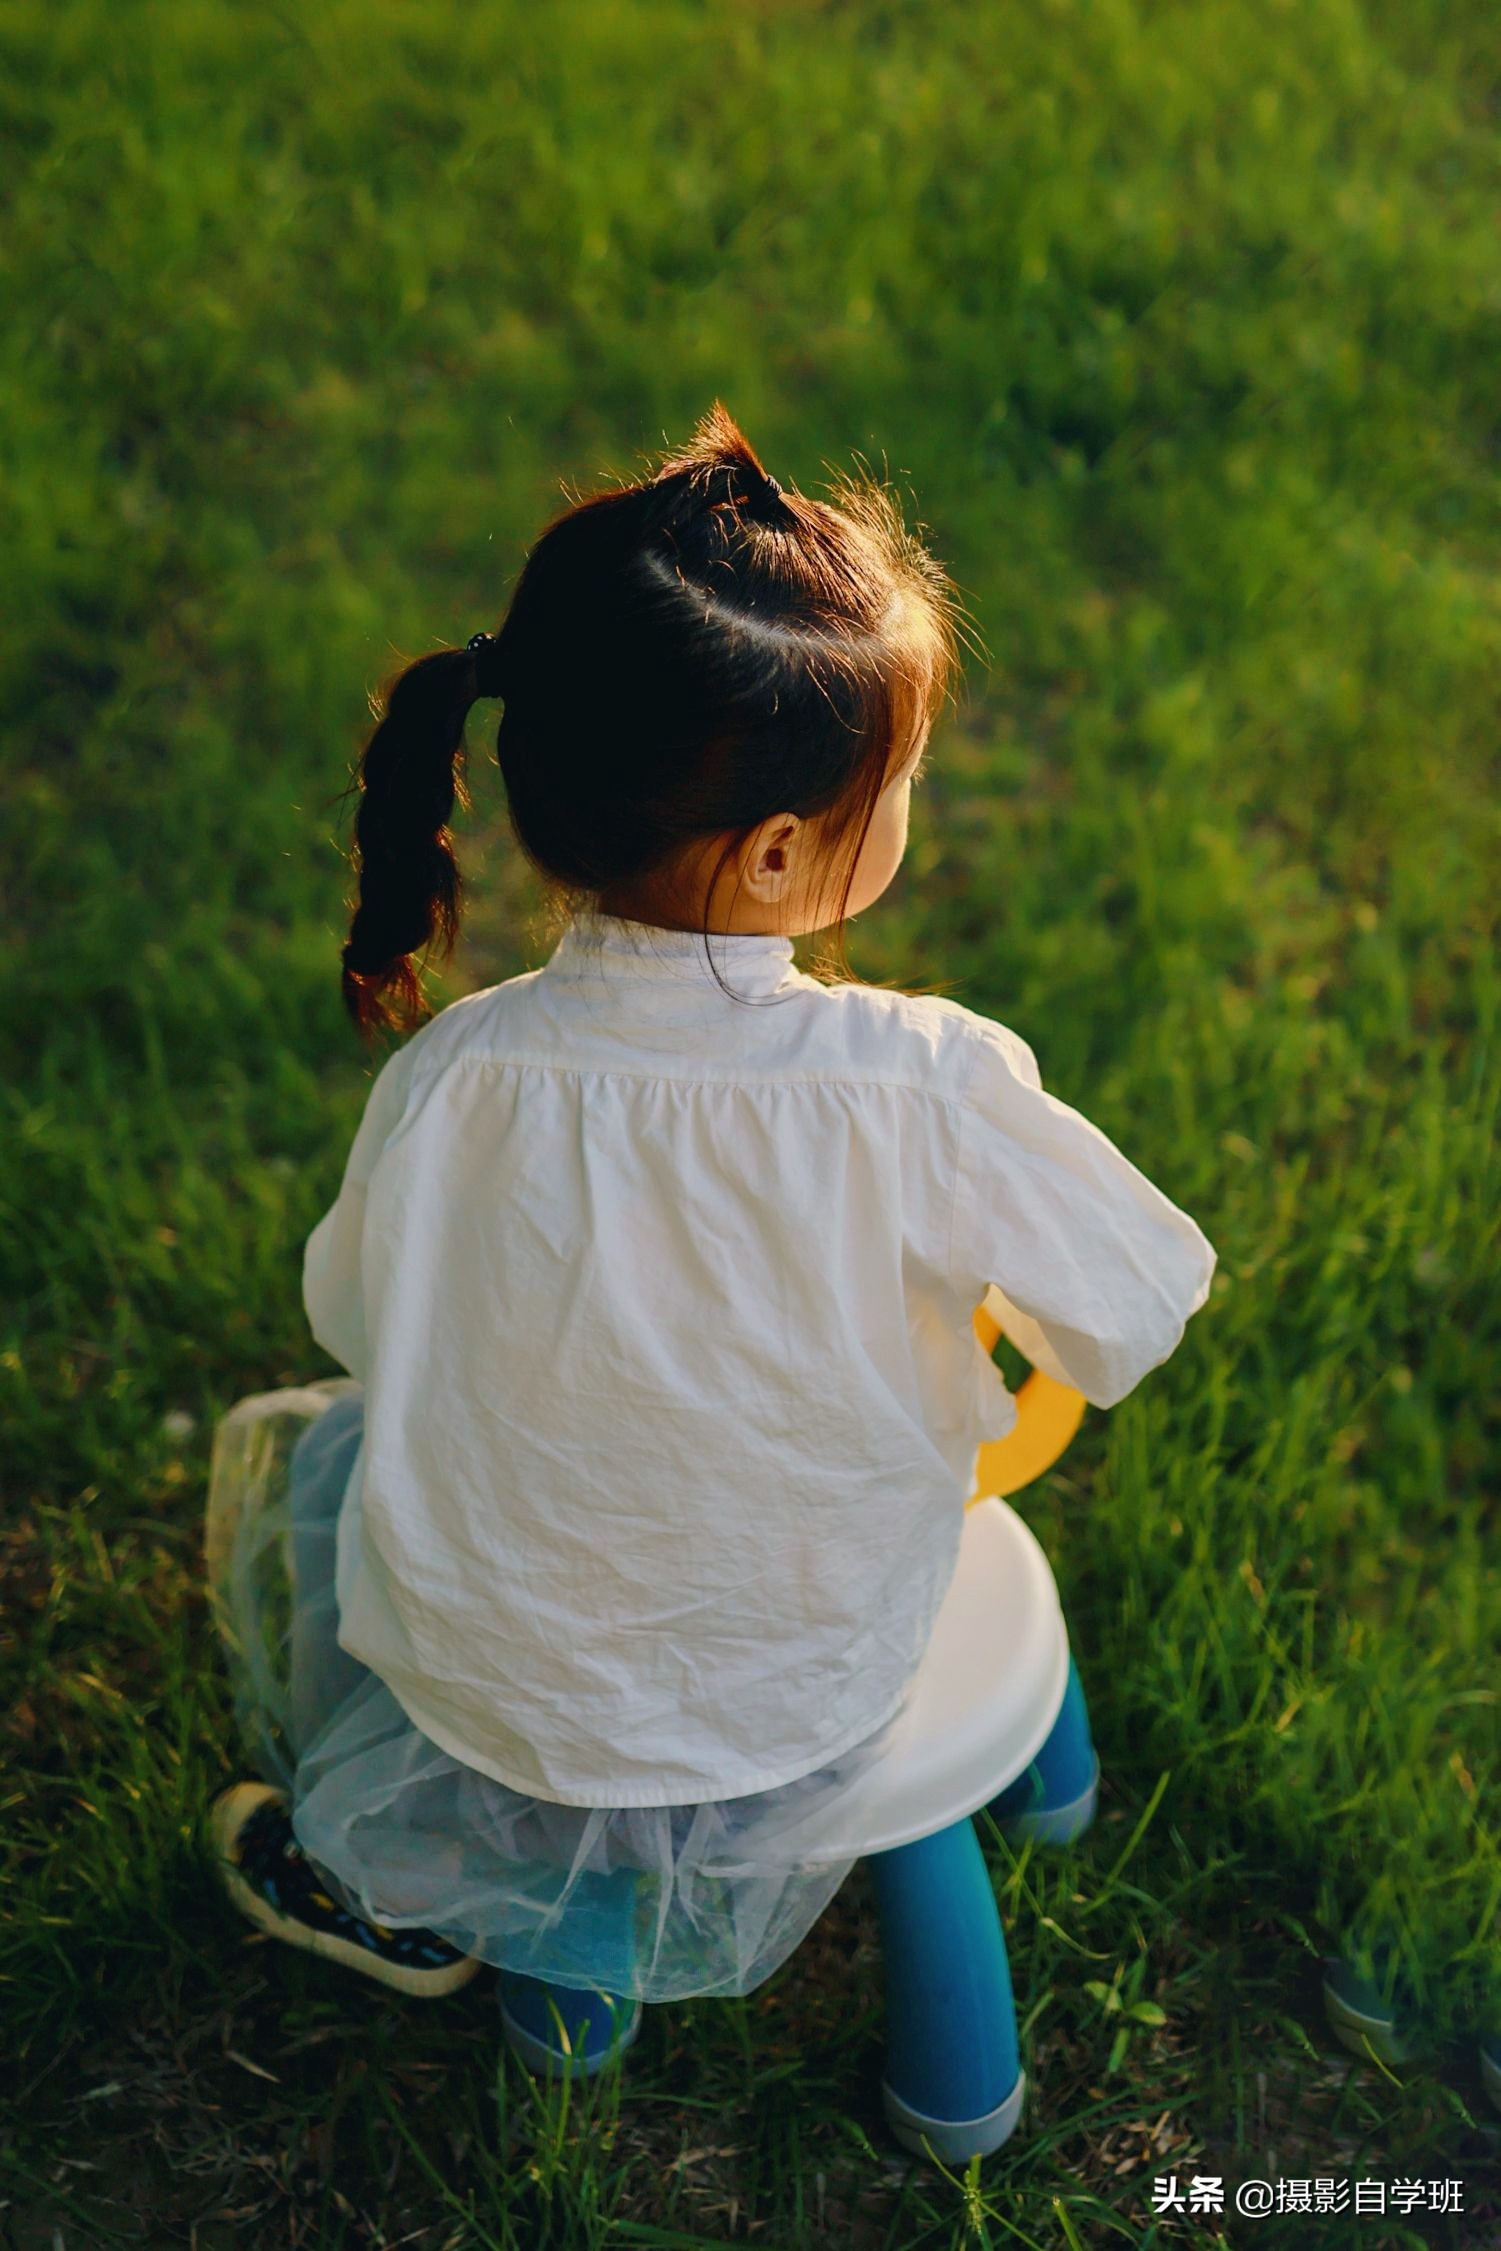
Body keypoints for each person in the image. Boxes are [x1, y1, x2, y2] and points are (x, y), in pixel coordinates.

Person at [206, 401, 1217, 2157]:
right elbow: (1131, 1305)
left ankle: (560, 1980)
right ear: (771, 852)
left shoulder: (459, 1075)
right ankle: (942, 2074)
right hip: (799, 1671)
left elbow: (355, 1322)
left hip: (494, 1660)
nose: (910, 805)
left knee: (360, 1467)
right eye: (895, 784)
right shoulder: (918, 1085)